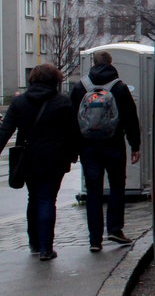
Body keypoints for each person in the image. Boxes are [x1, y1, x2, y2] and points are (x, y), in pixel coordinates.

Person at [0, 64, 81, 260]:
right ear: (56, 80)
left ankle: (34, 243)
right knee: (47, 200)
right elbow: (73, 132)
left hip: (27, 158)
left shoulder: (20, 103)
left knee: (33, 199)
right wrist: (73, 154)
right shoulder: (62, 102)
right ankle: (46, 248)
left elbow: (5, 130)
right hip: (55, 159)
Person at [70, 51, 141, 251]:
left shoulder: (80, 87)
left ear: (93, 63)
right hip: (114, 145)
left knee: (93, 191)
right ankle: (115, 229)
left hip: (88, 147)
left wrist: (74, 149)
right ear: (111, 63)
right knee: (117, 186)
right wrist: (135, 145)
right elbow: (130, 119)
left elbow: (72, 121)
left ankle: (94, 240)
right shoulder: (119, 88)